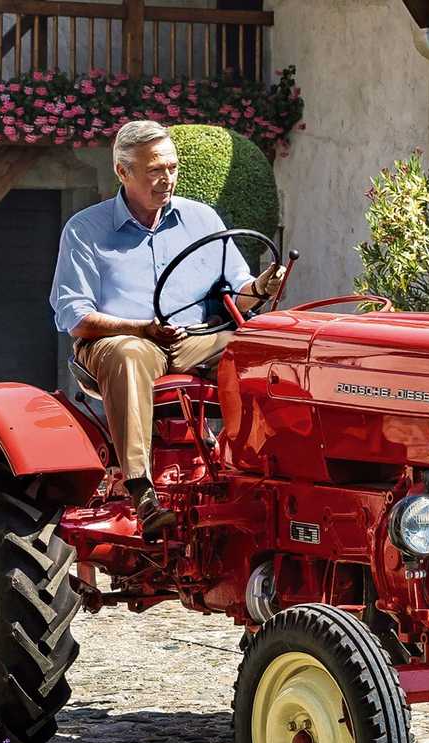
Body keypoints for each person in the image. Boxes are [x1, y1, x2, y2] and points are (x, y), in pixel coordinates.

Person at [50, 120, 285, 535]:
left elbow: (237, 294)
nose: (167, 179)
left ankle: (260, 473)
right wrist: (141, 329)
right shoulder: (85, 230)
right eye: (155, 170)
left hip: (192, 338)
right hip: (114, 341)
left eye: (172, 168)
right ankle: (141, 491)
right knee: (129, 354)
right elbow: (75, 318)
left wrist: (261, 287)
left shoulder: (203, 219)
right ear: (123, 172)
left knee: (260, 349)